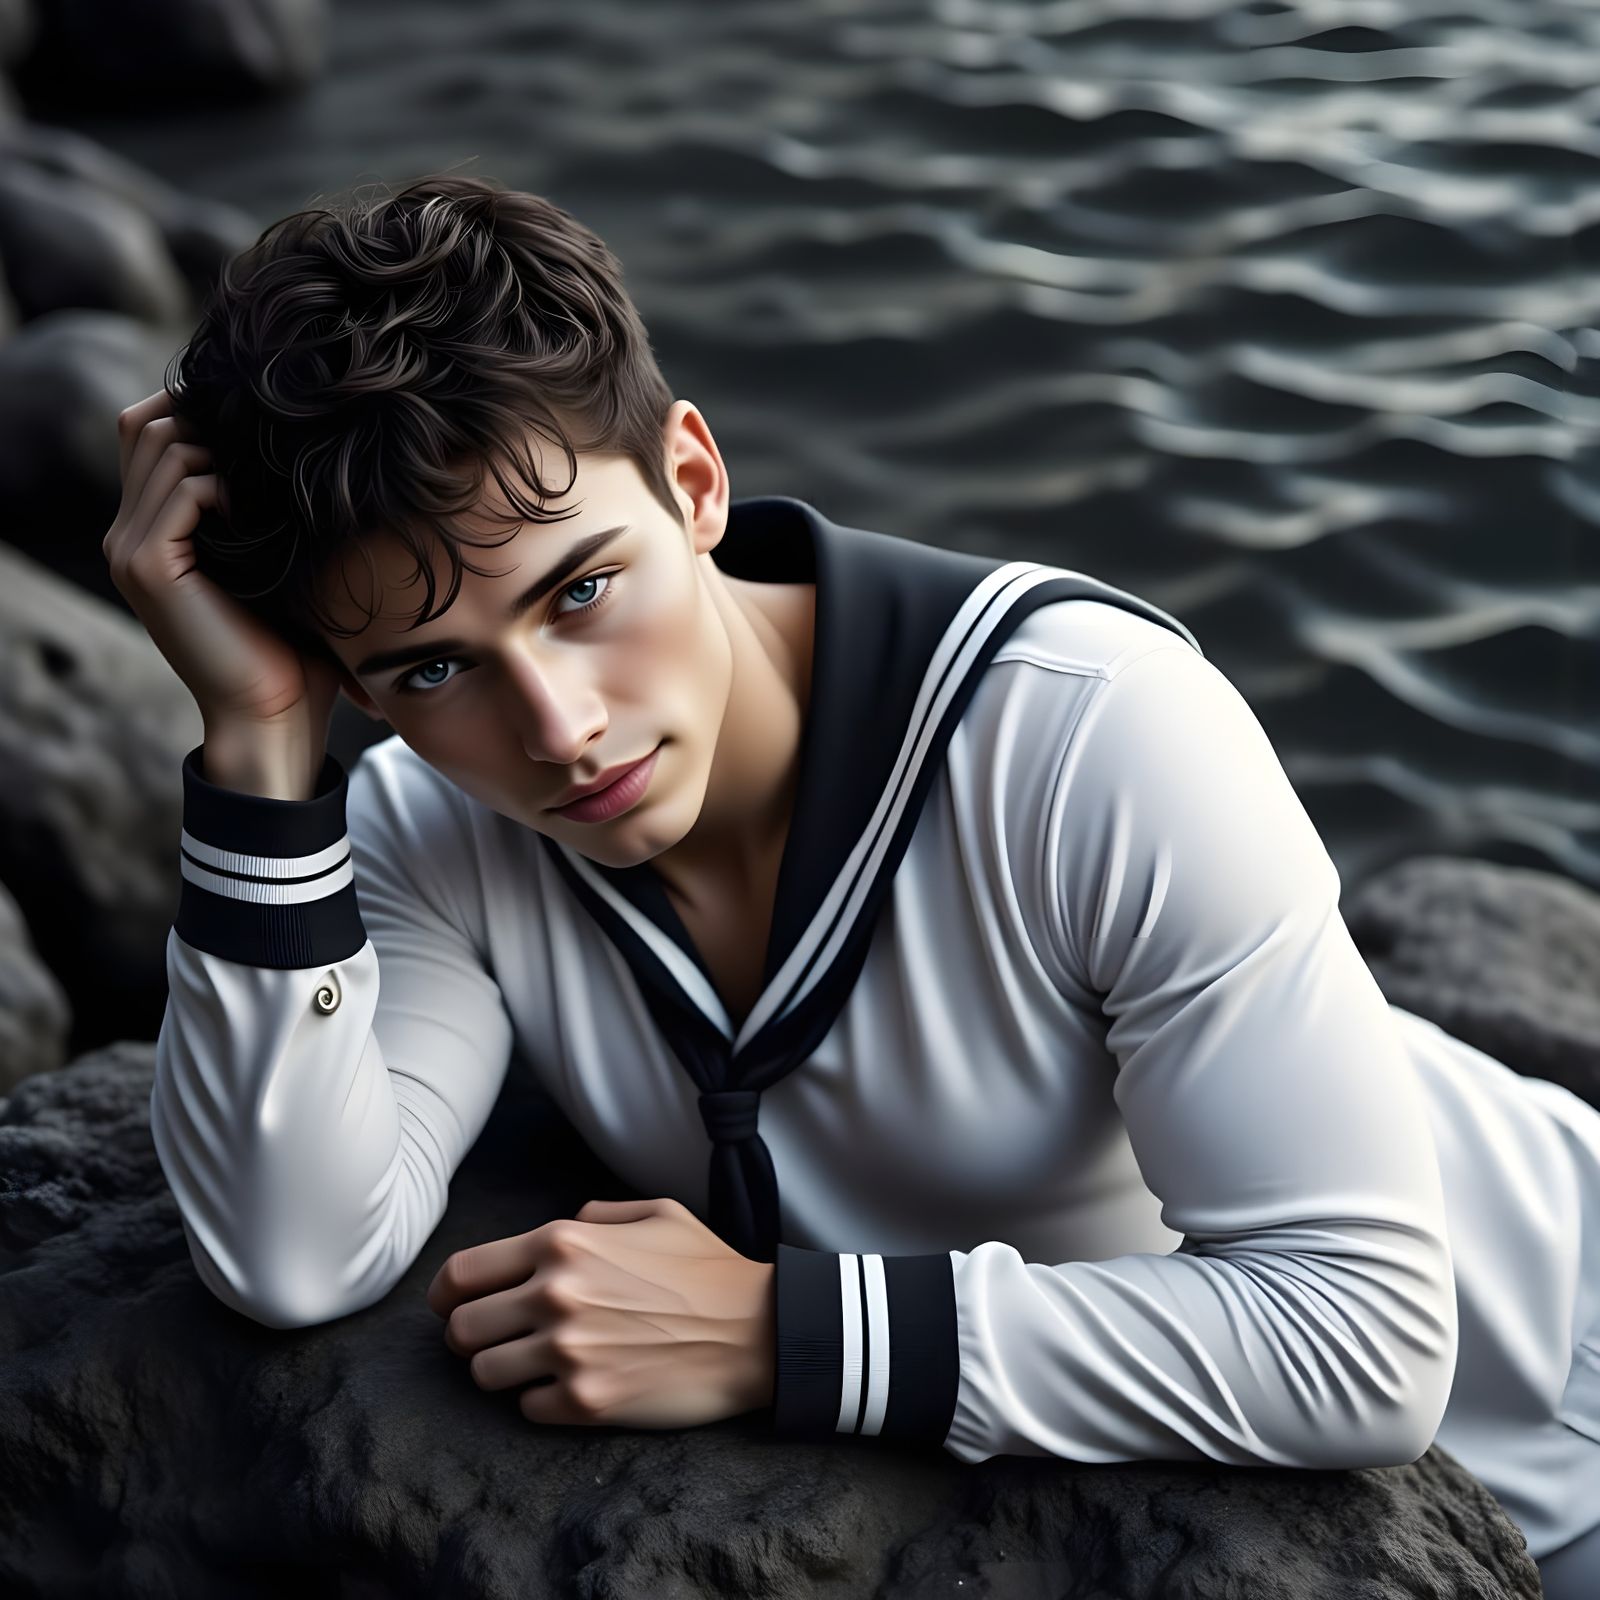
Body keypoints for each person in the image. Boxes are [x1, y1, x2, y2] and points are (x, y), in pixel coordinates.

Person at [105, 172, 1600, 1587]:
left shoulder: (1089, 732)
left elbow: (1363, 1336)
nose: (558, 728)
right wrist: (257, 739)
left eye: (583, 591)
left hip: (1565, 1407)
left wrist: (778, 1329)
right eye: (432, 668)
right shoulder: (430, 827)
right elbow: (293, 1253)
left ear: (692, 478)